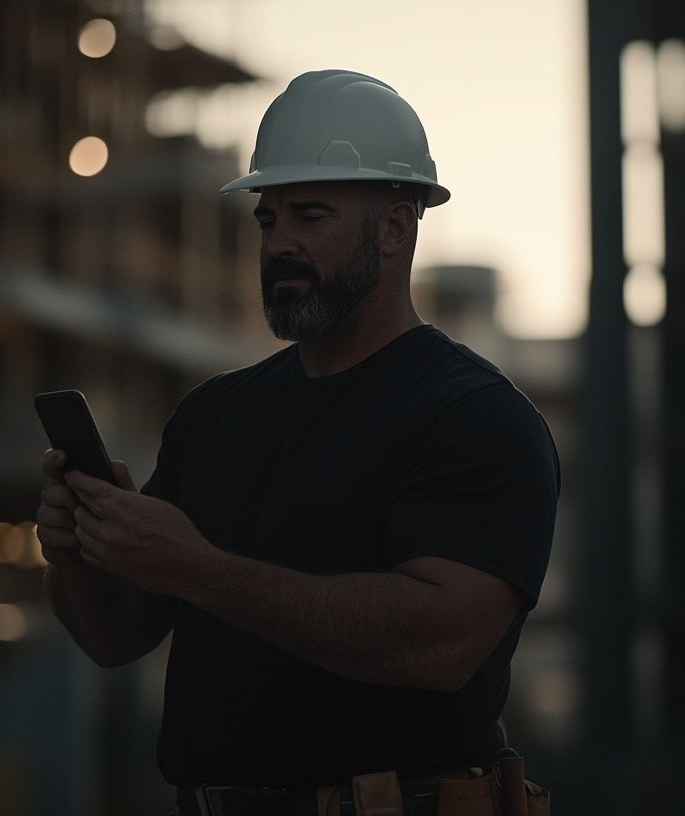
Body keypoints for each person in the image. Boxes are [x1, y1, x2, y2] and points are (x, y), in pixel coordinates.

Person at [36, 70, 559, 816]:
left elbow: (442, 645)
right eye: (267, 219)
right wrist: (79, 554)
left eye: (309, 216)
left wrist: (199, 568)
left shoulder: (473, 416)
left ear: (394, 228)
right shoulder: (213, 416)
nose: (279, 243)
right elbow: (115, 636)